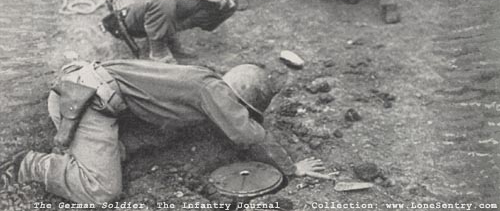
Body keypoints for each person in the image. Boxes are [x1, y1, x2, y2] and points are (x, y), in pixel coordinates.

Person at [0, 60, 330, 205]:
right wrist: (291, 168)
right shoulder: (212, 90)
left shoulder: (202, 80)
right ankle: (30, 164)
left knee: (132, 148)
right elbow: (248, 135)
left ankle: (91, 155)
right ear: (239, 100)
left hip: (94, 95)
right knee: (102, 192)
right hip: (83, 101)